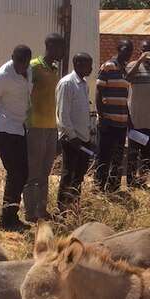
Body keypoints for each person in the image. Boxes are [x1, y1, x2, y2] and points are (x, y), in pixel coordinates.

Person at [0, 45, 33, 232]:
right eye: (19, 63)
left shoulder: (29, 71)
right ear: (12, 58)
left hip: (19, 127)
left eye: (25, 64)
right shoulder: (3, 76)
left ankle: (12, 216)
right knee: (15, 173)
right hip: (3, 129)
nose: (21, 67)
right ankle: (6, 220)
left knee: (23, 172)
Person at [24, 33, 66, 222]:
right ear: (49, 45)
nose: (62, 52)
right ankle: (30, 213)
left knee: (45, 173)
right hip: (35, 126)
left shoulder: (55, 68)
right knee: (33, 173)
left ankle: (41, 211)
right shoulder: (33, 67)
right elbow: (25, 94)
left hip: (51, 127)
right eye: (59, 48)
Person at [55, 52, 94, 212]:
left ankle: (74, 206)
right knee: (68, 174)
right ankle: (62, 210)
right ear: (77, 65)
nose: (91, 68)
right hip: (72, 139)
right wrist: (72, 137)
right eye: (88, 65)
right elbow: (62, 114)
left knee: (79, 174)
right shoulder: (67, 83)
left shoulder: (83, 84)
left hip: (83, 138)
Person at [94, 38, 132, 193]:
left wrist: (128, 117)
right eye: (126, 49)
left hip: (121, 122)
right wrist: (101, 117)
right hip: (108, 121)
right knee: (104, 156)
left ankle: (113, 188)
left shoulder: (124, 70)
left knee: (117, 157)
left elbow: (124, 97)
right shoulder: (108, 66)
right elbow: (98, 92)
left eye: (130, 51)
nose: (128, 53)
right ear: (118, 48)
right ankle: (98, 188)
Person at [124, 39, 150, 188]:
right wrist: (139, 61)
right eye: (145, 50)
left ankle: (143, 181)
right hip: (136, 118)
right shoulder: (132, 65)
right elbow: (127, 79)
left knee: (147, 153)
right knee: (133, 152)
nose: (148, 53)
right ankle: (131, 181)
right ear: (139, 51)